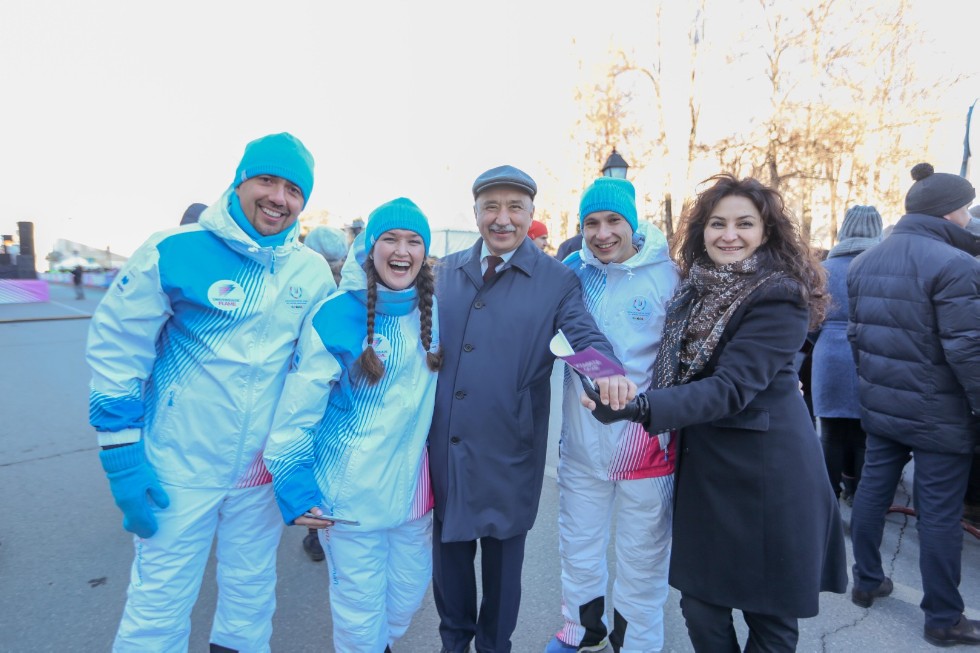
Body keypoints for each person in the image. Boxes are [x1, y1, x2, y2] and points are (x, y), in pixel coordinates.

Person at [87, 133, 334, 652]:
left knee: (249, 602)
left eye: (293, 189)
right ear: (240, 180)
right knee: (157, 610)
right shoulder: (173, 249)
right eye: (267, 180)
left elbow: (312, 377)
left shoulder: (309, 272)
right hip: (179, 467)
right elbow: (118, 350)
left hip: (257, 476)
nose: (278, 198)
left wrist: (296, 464)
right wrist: (121, 454)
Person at [584, 174, 848, 652]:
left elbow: (731, 388)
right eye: (717, 223)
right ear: (702, 231)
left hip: (767, 475)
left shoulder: (779, 294)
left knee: (768, 618)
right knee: (700, 608)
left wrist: (640, 408)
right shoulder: (693, 289)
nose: (729, 235)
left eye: (744, 224)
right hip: (707, 471)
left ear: (766, 232)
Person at [429, 164, 635, 653]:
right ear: (476, 211)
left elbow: (582, 335)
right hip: (448, 446)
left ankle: (494, 646)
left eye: (515, 207)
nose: (503, 219)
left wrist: (608, 375)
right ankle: (453, 645)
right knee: (450, 564)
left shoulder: (555, 280)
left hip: (508, 447)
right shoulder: (445, 272)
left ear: (531, 214)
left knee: (503, 573)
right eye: (491, 207)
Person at [265, 198, 440, 652]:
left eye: (413, 241)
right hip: (350, 499)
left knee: (406, 599)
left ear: (424, 253)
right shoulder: (335, 315)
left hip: (415, 498)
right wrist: (294, 485)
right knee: (360, 618)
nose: (401, 251)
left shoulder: (438, 314)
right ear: (369, 248)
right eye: (390, 239)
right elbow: (296, 413)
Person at [847, 163, 980, 647]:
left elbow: (857, 338)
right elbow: (968, 349)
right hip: (939, 413)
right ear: (951, 211)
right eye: (966, 208)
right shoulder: (958, 265)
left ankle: (865, 580)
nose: (968, 217)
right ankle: (944, 618)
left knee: (872, 492)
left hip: (884, 406)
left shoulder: (866, 261)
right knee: (940, 513)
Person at [545, 177, 679, 653]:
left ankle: (637, 642)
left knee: (642, 557)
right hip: (581, 445)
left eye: (613, 221)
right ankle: (582, 630)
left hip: (646, 445)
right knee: (577, 548)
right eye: (591, 223)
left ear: (633, 223)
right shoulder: (570, 274)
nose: (602, 234)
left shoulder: (668, 276)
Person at [810, 205, 882, 504]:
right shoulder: (882, 265)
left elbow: (811, 322)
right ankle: (860, 497)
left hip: (829, 354)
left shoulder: (824, 269)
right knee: (865, 435)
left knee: (831, 433)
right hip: (872, 351)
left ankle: (829, 498)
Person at [291, 223, 350, 562]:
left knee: (312, 452)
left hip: (309, 386)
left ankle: (316, 530)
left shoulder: (304, 283)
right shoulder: (352, 288)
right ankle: (322, 525)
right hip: (337, 392)